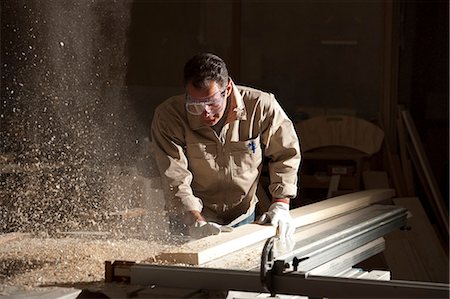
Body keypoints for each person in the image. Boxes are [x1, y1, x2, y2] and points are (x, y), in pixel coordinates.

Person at [151, 53, 301, 240]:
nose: (205, 113)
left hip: (242, 217)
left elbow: (286, 153)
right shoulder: (169, 116)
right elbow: (174, 174)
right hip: (190, 218)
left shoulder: (260, 106)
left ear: (228, 88)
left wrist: (281, 203)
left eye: (212, 103)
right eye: (195, 105)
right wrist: (194, 219)